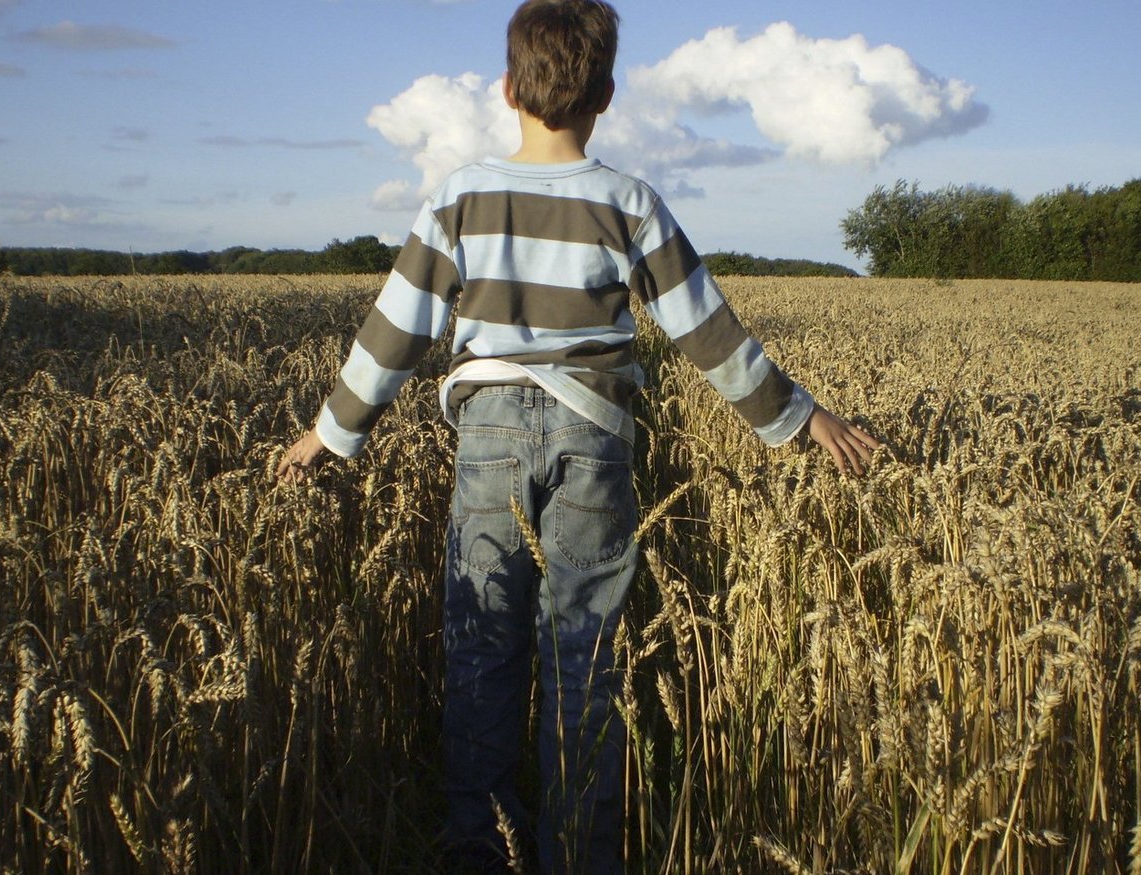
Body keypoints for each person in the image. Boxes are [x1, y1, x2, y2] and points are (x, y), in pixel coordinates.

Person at [277, 1, 878, 870]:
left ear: (508, 88)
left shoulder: (460, 195)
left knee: (482, 639)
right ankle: (577, 854)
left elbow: (395, 330)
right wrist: (797, 414)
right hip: (595, 440)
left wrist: (331, 432)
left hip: (485, 437)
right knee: (585, 654)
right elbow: (708, 333)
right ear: (607, 94)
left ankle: (478, 848)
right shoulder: (628, 201)